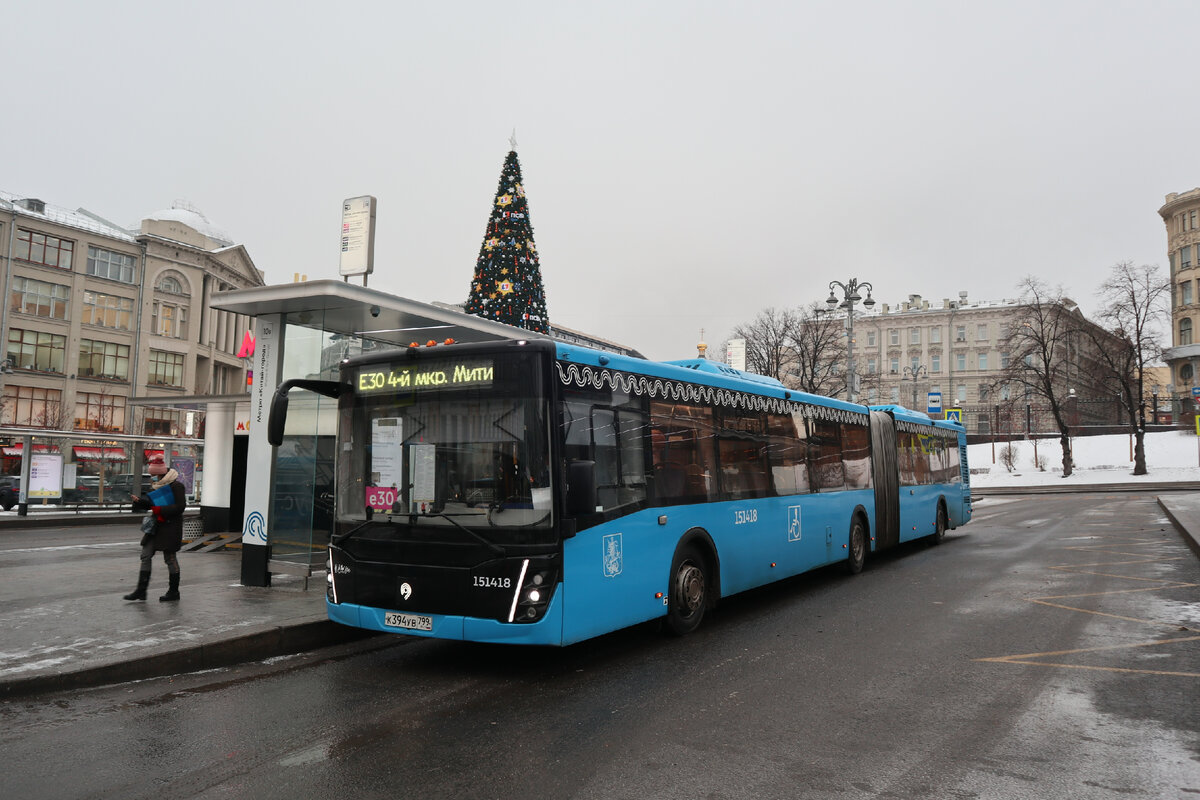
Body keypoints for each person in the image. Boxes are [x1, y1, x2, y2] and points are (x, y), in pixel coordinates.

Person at [123, 461, 187, 602]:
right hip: (156, 526)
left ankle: (173, 591)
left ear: (161, 473)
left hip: (170, 527)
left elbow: (180, 506)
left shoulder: (177, 486)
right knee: (145, 555)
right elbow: (153, 504)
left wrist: (161, 510)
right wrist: (140, 501)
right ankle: (141, 590)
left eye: (154, 475)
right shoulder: (158, 486)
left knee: (169, 558)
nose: (153, 478)